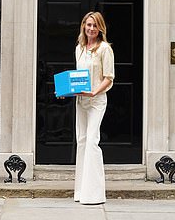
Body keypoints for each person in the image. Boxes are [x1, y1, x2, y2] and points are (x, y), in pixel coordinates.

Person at [73, 11, 114, 205]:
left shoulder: (104, 49)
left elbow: (109, 78)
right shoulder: (79, 48)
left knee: (91, 142)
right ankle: (81, 192)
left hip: (97, 102)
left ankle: (95, 194)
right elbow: (78, 78)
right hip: (81, 101)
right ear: (83, 26)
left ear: (100, 28)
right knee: (81, 141)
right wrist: (68, 90)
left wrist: (94, 92)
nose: (91, 28)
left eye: (95, 26)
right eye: (88, 25)